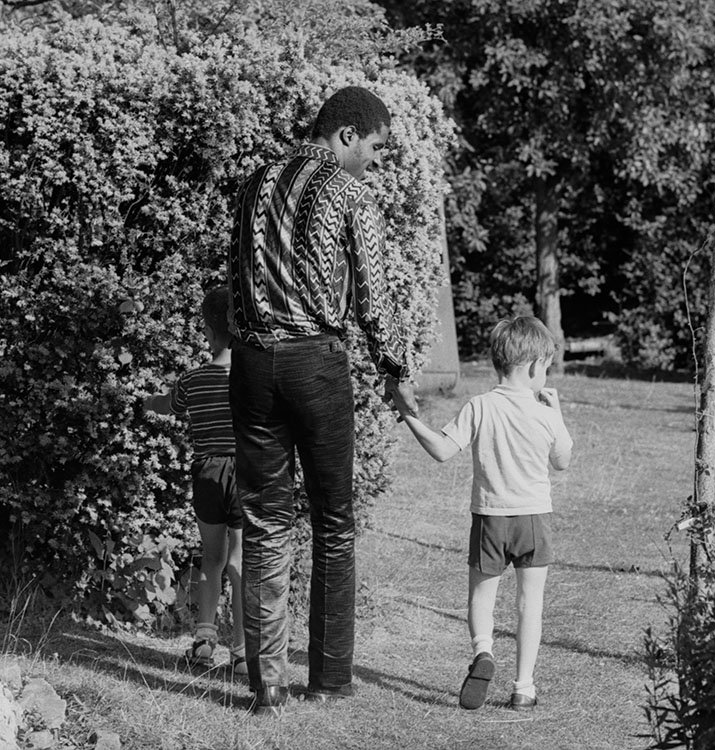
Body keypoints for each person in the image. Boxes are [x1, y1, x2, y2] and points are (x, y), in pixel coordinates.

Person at [227, 85, 416, 714]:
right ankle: (331, 678)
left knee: (264, 521)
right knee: (333, 523)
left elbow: (236, 284)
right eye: (375, 147)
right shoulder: (347, 191)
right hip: (315, 363)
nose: (374, 161)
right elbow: (375, 296)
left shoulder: (254, 183)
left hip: (252, 366)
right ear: (346, 135)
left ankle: (267, 684)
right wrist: (397, 369)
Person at [392, 316, 573, 711]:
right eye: (545, 368)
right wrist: (556, 414)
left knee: (481, 596)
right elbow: (562, 460)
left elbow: (441, 450)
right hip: (533, 520)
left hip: (490, 517)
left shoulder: (479, 406)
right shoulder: (545, 414)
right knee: (531, 603)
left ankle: (483, 651)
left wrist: (409, 416)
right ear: (532, 367)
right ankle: (524, 687)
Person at [143, 286, 247, 677]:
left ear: (207, 331)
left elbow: (168, 405)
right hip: (244, 473)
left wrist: (147, 401)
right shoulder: (251, 381)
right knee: (240, 559)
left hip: (207, 474)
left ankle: (204, 642)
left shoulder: (193, 380)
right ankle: (241, 652)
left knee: (211, 558)